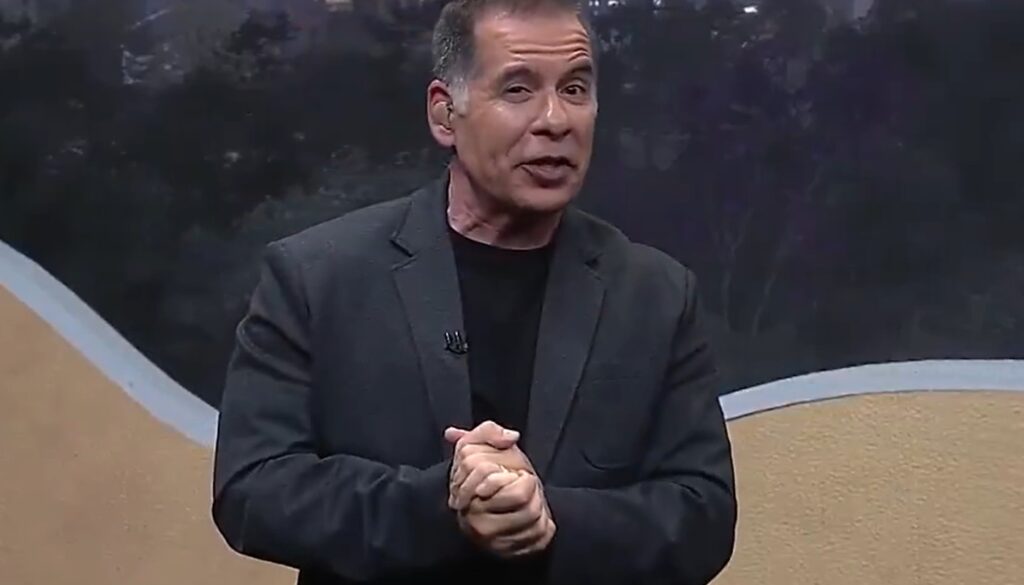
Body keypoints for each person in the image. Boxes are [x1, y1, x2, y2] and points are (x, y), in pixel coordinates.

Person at [211, 0, 737, 583]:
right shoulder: (315, 277)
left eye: (575, 89)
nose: (555, 120)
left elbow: (704, 518)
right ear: (445, 114)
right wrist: (444, 505)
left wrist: (545, 517)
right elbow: (253, 489)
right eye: (518, 90)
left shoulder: (656, 294)